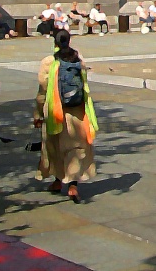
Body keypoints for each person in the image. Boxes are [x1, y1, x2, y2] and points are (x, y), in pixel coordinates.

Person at [33, 30, 98, 203]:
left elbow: (42, 91)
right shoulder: (78, 60)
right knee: (76, 148)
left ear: (54, 42)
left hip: (56, 111)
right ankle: (73, 185)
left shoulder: (49, 62)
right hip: (77, 111)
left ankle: (57, 181)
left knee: (54, 147)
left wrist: (38, 113)